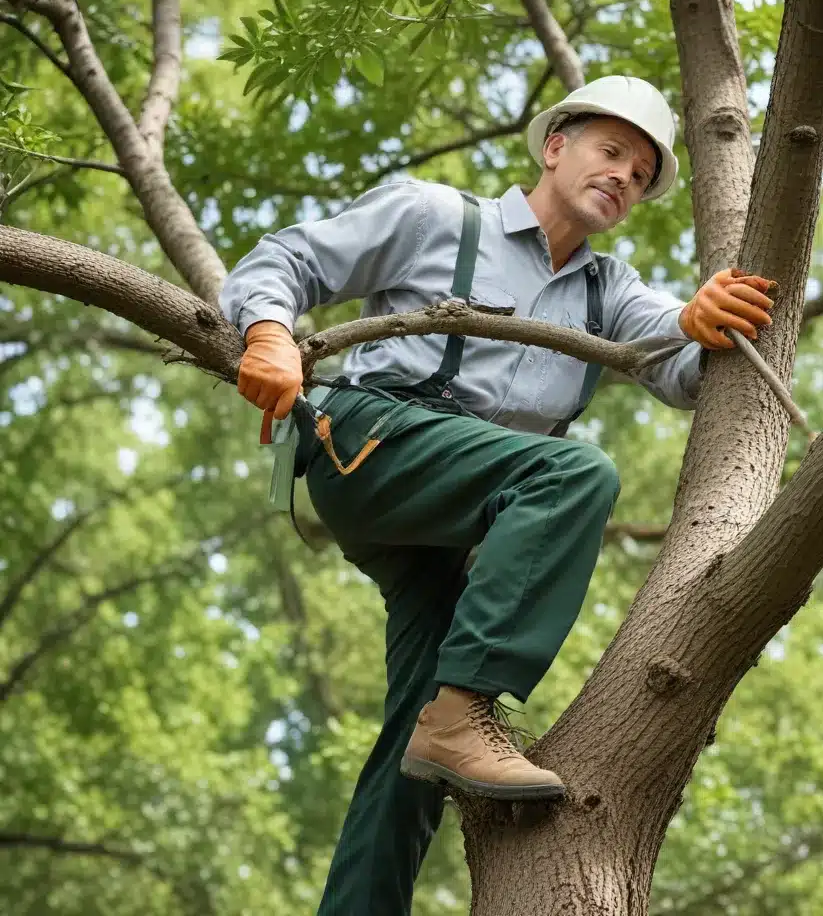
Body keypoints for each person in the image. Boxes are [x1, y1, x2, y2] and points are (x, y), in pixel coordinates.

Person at [219, 75, 775, 916]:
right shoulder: (436, 217)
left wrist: (705, 322)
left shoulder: (608, 292)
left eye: (642, 170)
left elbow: (681, 364)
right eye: (610, 150)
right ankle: (469, 708)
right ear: (556, 147)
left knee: (419, 754)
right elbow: (285, 260)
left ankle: (401, 820)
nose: (624, 174)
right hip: (371, 446)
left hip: (452, 527)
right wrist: (266, 332)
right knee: (573, 473)